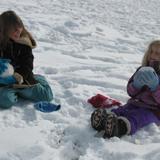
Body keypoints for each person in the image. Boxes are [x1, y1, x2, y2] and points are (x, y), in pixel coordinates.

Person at [91, 40, 160, 138]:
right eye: (151, 52)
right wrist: (136, 85)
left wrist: (155, 87)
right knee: (121, 110)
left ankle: (119, 127)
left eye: (157, 53)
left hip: (153, 111)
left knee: (137, 117)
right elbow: (130, 91)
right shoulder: (142, 69)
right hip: (135, 103)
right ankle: (102, 120)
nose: (152, 55)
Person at [0, 10, 53, 109]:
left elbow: (27, 65)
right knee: (5, 101)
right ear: (5, 29)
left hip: (22, 80)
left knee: (47, 96)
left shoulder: (24, 44)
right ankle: (15, 93)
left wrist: (17, 77)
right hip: (4, 84)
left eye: (19, 29)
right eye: (14, 29)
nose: (18, 32)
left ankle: (38, 79)